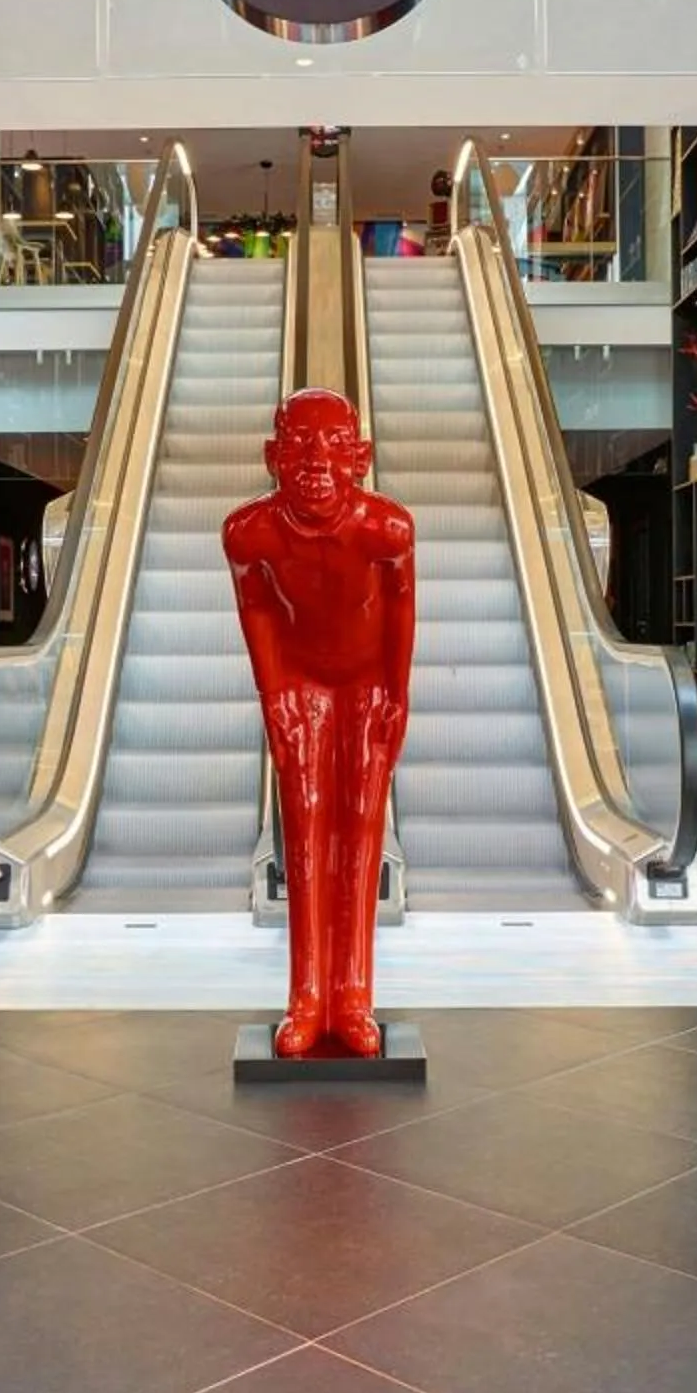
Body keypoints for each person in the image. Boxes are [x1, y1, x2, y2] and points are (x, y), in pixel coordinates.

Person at [222, 389, 416, 1058]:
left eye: (334, 446)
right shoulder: (250, 532)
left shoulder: (386, 530)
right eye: (301, 446)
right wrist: (274, 690)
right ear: (274, 456)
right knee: (303, 832)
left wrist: (396, 693)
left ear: (359, 458)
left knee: (361, 830)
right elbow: (257, 608)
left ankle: (353, 996)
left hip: (365, 684)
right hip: (302, 683)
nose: (317, 462)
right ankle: (306, 997)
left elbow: (398, 606)